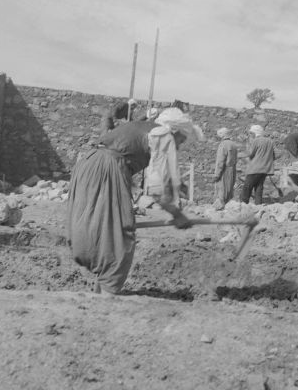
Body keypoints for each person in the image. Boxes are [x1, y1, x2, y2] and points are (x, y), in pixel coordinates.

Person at [66, 108, 202, 296]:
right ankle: (107, 296)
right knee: (119, 235)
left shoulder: (146, 128)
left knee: (102, 229)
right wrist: (177, 215)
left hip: (89, 165)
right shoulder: (163, 136)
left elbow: (127, 156)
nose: (179, 146)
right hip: (106, 170)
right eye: (182, 140)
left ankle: (97, 294)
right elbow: (157, 190)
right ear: (175, 131)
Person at [240, 124, 275, 205]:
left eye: (251, 133)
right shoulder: (269, 141)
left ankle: (243, 205)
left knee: (247, 187)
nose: (250, 135)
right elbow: (274, 155)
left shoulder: (256, 141)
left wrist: (239, 155)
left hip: (255, 168)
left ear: (255, 133)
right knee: (258, 189)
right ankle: (258, 206)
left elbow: (250, 153)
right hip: (265, 169)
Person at [212, 127, 238, 209]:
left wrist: (217, 174)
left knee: (221, 192)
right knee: (229, 191)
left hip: (224, 170)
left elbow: (220, 161)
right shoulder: (233, 144)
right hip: (232, 169)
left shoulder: (223, 144)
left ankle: (220, 210)